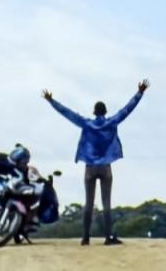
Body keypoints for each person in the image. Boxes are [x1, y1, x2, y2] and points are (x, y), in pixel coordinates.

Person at [42, 79, 149, 245]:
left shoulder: (87, 124)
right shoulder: (111, 122)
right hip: (105, 166)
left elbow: (68, 113)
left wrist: (51, 101)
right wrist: (139, 93)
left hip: (90, 166)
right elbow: (127, 110)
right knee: (106, 203)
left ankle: (86, 237)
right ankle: (108, 237)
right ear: (105, 112)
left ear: (94, 112)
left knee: (89, 203)